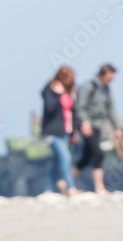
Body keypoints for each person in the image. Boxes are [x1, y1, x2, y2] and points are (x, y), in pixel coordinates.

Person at [74, 63, 123, 196]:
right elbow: (80, 106)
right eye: (109, 77)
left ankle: (67, 181)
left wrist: (117, 128)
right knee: (98, 153)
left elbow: (110, 110)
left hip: (98, 125)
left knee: (86, 157)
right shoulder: (89, 86)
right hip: (87, 126)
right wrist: (84, 122)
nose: (111, 80)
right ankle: (99, 187)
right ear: (102, 75)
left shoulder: (106, 89)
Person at [40, 66, 80, 197]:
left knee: (57, 163)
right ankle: (71, 187)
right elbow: (49, 108)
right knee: (66, 158)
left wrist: (75, 132)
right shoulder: (49, 89)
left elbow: (72, 113)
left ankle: (48, 190)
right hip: (53, 132)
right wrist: (58, 94)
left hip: (66, 132)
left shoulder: (69, 92)